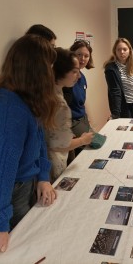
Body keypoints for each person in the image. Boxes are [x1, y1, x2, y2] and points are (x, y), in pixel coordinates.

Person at [0, 35, 58, 253]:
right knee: (23, 251)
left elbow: (38, 139)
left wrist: (42, 177)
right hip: (11, 193)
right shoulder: (10, 111)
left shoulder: (23, 99)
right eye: (48, 66)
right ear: (37, 70)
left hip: (25, 184)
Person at [46, 48, 94, 182]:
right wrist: (82, 140)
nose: (78, 76)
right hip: (53, 164)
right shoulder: (59, 103)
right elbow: (58, 145)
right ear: (60, 72)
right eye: (74, 72)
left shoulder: (49, 93)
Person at [104, 38, 133, 119]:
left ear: (129, 51)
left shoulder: (131, 65)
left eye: (124, 49)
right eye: (119, 50)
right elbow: (115, 91)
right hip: (123, 107)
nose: (122, 52)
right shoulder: (111, 69)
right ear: (115, 51)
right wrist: (115, 113)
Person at [63, 40, 94, 159]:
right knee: (92, 149)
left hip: (82, 119)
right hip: (72, 123)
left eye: (86, 56)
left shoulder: (82, 77)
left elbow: (81, 103)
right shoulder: (67, 77)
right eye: (79, 54)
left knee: (100, 141)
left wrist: (89, 121)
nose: (82, 58)